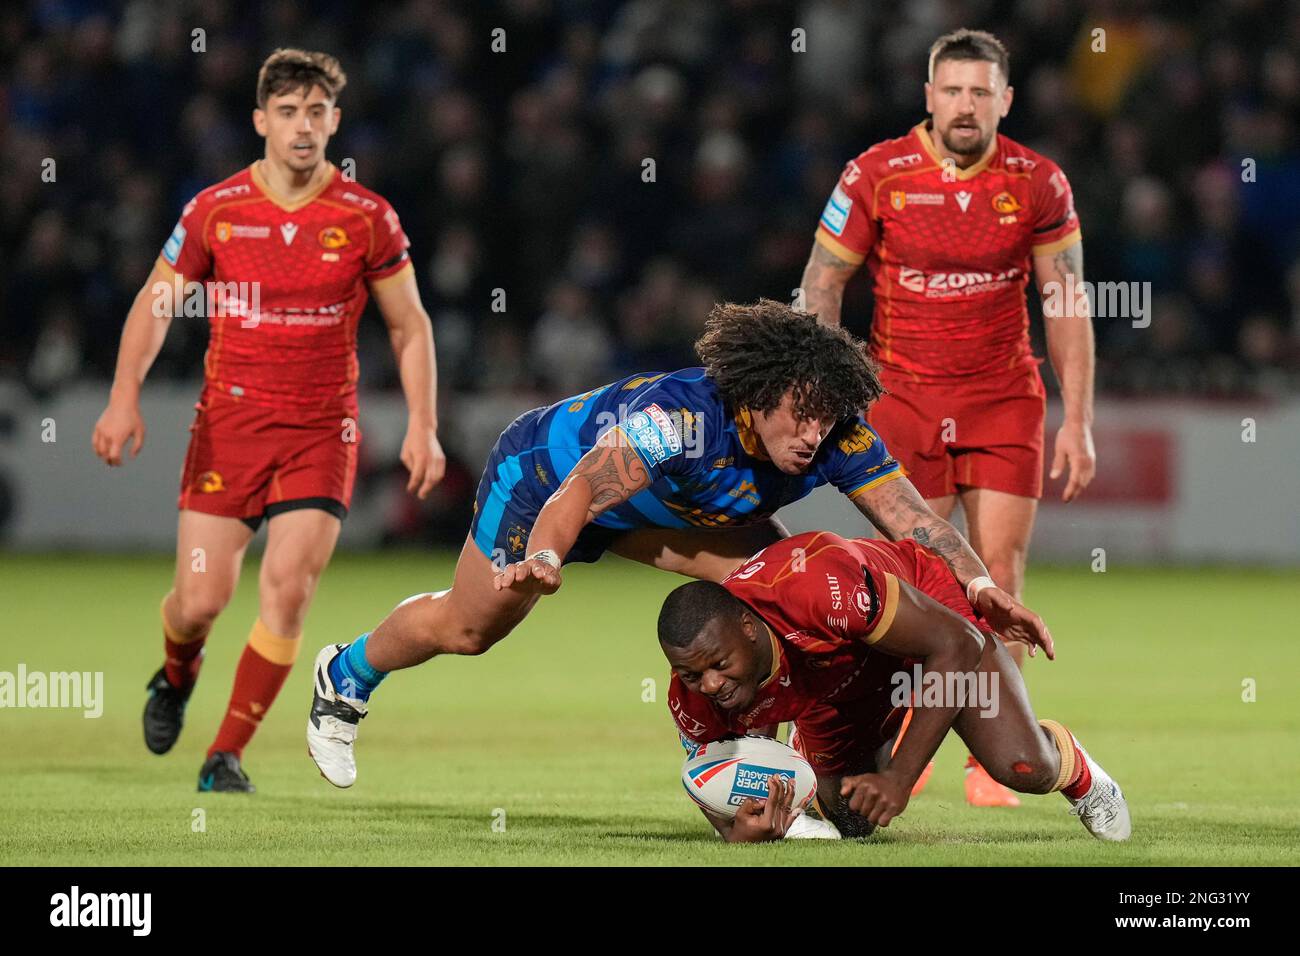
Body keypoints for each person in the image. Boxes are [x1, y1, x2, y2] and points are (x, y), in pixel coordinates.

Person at [306, 301, 1048, 788]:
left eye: (827, 417)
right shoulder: (682, 420)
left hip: (667, 515)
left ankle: (747, 767)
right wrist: (546, 556)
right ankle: (345, 674)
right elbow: (586, 493)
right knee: (467, 630)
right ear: (757, 396)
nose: (814, 433)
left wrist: (981, 588)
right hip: (545, 482)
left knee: (780, 600)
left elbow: (916, 520)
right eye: (800, 415)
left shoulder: (832, 432)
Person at [92, 49, 444, 792]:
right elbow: (157, 306)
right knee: (200, 601)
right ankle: (178, 671)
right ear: (261, 121)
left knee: (288, 588)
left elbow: (409, 327)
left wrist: (423, 423)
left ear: (335, 121)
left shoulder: (367, 217)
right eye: (288, 112)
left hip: (323, 431)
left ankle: (226, 755)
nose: (303, 126)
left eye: (317, 112)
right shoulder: (216, 210)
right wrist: (124, 395)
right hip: (230, 426)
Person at [798, 28, 1096, 805]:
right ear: (928, 97)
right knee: (919, 581)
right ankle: (910, 740)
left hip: (1004, 396)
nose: (966, 105)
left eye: (981, 91)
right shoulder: (876, 173)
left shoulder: (1039, 181)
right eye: (952, 90)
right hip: (900, 396)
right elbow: (822, 284)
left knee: (997, 572)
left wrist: (1081, 418)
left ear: (1006, 99)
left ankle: (998, 748)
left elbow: (1065, 303)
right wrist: (827, 393)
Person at [659, 531, 1130, 843]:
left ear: (748, 626)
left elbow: (957, 645)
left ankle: (1077, 770)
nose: (711, 684)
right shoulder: (693, 694)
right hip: (834, 683)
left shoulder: (815, 590)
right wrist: (736, 835)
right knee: (852, 820)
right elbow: (712, 783)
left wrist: (900, 779)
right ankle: (879, 732)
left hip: (928, 628)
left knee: (1022, 766)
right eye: (693, 675)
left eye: (719, 665)